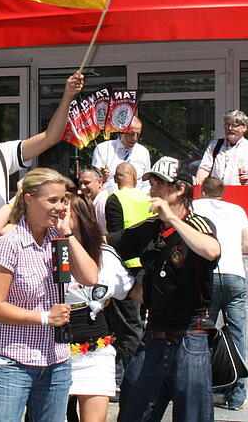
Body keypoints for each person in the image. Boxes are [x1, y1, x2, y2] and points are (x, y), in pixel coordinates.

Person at [0, 71, 85, 422]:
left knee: (1, 347)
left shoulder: (1, 151)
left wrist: (68, 95)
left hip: (4, 254)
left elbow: (52, 136)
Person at [0, 168, 98, 422]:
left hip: (56, 360)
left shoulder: (58, 238)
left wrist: (67, 233)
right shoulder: (10, 244)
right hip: (13, 361)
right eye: (52, 200)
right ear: (29, 199)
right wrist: (45, 317)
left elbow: (90, 277)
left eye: (62, 200)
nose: (59, 207)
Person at [117, 156, 221, 422]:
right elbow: (108, 244)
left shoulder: (198, 224)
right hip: (153, 333)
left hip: (190, 335)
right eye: (151, 183)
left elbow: (211, 251)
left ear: (180, 189)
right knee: (133, 407)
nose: (152, 190)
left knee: (192, 414)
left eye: (159, 184)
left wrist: (172, 220)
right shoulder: (149, 229)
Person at [64, 195, 133, 422]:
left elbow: (131, 290)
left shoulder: (105, 255)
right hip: (54, 350)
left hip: (95, 350)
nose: (58, 212)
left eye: (65, 209)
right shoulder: (46, 251)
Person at [191, 177, 248, 410]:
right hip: (235, 277)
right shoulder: (237, 210)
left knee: (200, 333)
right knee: (238, 334)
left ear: (202, 192)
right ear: (223, 193)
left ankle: (202, 392)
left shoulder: (195, 206)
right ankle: (237, 396)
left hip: (208, 276)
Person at [101, 161, 155, 399]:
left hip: (126, 270)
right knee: (143, 325)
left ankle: (132, 379)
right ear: (135, 177)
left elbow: (114, 236)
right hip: (149, 268)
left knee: (128, 329)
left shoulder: (114, 199)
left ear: (116, 178)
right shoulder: (149, 199)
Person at [195, 109, 248, 186]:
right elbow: (204, 168)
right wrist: (199, 182)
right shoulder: (215, 145)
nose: (230, 128)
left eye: (234, 126)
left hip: (241, 194)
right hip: (216, 193)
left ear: (244, 128)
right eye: (227, 125)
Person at [91, 116, 151, 194]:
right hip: (110, 201)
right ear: (121, 131)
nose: (135, 138)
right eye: (131, 134)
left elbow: (146, 184)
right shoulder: (103, 149)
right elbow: (93, 182)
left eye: (138, 134)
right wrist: (102, 177)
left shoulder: (143, 152)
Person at [76, 166, 108, 233]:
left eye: (86, 183)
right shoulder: (95, 201)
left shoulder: (102, 202)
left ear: (100, 182)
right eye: (80, 183)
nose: (82, 187)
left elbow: (104, 233)